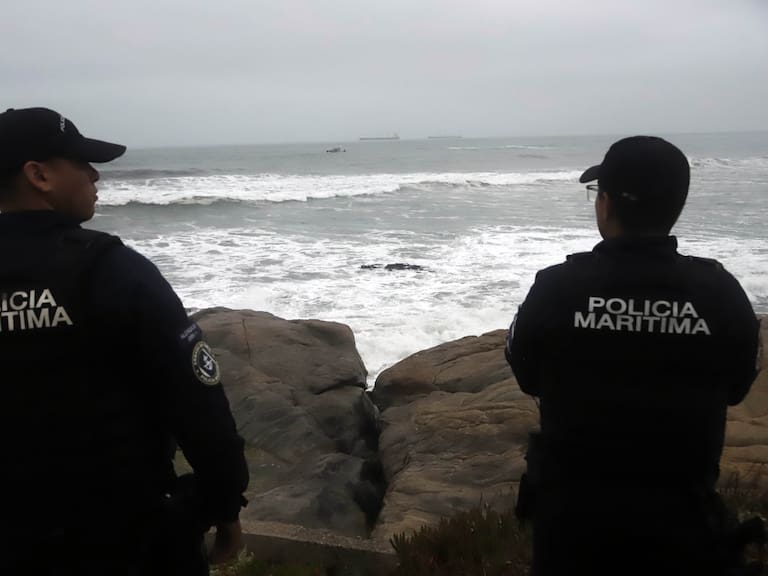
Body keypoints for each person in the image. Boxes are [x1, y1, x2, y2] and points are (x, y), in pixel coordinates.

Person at [0, 107, 249, 576]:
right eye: (80, 163)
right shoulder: (111, 270)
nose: (95, 174)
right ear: (39, 175)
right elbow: (196, 401)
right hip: (126, 536)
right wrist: (223, 501)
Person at [505, 136, 762, 576]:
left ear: (604, 204)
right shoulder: (720, 293)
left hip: (573, 536)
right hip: (686, 533)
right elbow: (737, 386)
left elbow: (527, 374)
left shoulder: (557, 288)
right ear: (676, 205)